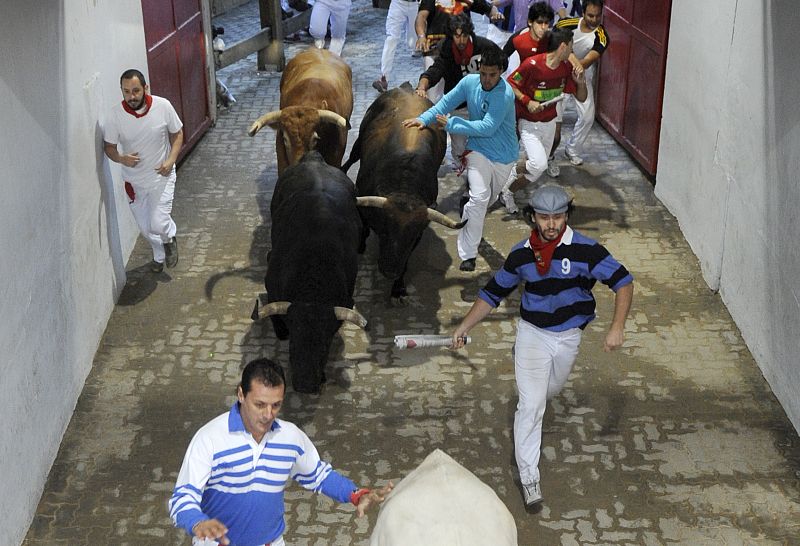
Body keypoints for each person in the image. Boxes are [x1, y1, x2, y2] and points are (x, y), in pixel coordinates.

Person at [450, 184, 633, 506]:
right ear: (533, 217)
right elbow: (493, 293)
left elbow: (623, 281)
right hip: (533, 333)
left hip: (569, 337)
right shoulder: (521, 254)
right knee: (532, 405)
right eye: (544, 217)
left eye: (557, 217)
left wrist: (617, 327)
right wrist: (464, 326)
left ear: (567, 216)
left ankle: (528, 380)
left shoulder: (587, 250)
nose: (551, 224)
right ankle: (529, 476)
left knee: (548, 392)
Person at [169, 358, 393, 546]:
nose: (268, 415)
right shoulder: (209, 439)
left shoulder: (290, 437)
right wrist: (198, 522)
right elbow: (182, 499)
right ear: (241, 394)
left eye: (276, 405)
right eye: (260, 404)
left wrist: (357, 495)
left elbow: (319, 476)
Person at [403, 44, 517, 273]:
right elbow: (445, 103)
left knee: (485, 201)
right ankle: (468, 255)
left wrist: (452, 123)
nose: (486, 79)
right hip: (477, 150)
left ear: (501, 72)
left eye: (492, 75)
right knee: (479, 198)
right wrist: (423, 119)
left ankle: (470, 214)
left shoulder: (505, 94)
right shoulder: (469, 83)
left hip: (504, 155)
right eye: (483, 73)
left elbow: (487, 127)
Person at [498, 28, 587, 214]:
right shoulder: (531, 65)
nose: (572, 53)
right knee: (539, 165)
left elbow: (581, 97)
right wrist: (527, 101)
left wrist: (580, 82)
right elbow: (510, 83)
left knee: (536, 171)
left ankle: (507, 192)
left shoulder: (565, 69)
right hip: (529, 123)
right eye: (571, 47)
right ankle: (513, 170)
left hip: (550, 123)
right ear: (563, 47)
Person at [103, 69, 183, 273]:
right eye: (126, 91)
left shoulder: (163, 106)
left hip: (161, 177)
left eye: (136, 91)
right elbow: (109, 147)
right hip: (134, 182)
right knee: (146, 228)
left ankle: (169, 238)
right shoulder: (114, 115)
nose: (131, 96)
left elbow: (177, 134)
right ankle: (159, 256)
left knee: (158, 223)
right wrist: (121, 158)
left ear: (146, 88)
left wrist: (171, 160)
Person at [415, 13, 501, 168]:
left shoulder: (484, 46)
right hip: (459, 108)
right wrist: (422, 86)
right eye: (457, 36)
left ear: (470, 33)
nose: (461, 41)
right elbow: (435, 70)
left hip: (482, 106)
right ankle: (463, 171)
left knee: (485, 145)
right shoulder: (446, 49)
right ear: (451, 36)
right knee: (459, 149)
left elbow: (502, 60)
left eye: (464, 36)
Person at [553, 0, 610, 166]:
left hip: (582, 75)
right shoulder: (566, 24)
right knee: (554, 116)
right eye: (590, 15)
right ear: (583, 13)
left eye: (598, 16)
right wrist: (569, 56)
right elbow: (556, 42)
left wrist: (575, 64)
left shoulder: (602, 36)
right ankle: (548, 154)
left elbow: (589, 60)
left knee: (587, 116)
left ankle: (572, 149)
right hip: (558, 75)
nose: (594, 19)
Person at [414, 0, 502, 103]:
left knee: (459, 85)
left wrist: (495, 14)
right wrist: (421, 36)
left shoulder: (481, 44)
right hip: (434, 49)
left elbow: (489, 8)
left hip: (461, 50)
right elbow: (421, 16)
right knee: (432, 94)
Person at [373, 0, 421, 93]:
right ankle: (384, 78)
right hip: (397, 4)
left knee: (413, 42)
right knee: (391, 38)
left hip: (415, 5)